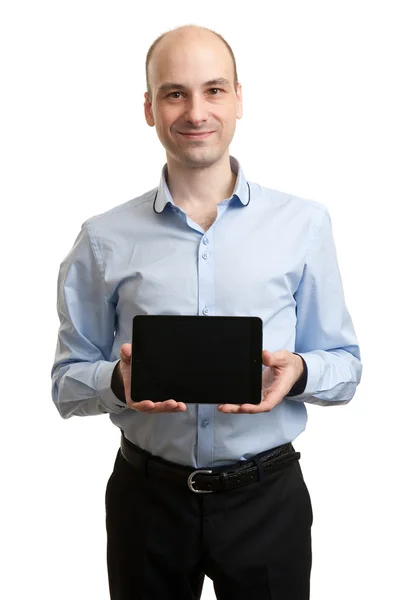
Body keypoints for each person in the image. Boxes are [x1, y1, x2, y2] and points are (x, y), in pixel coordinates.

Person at [51, 24, 362, 600]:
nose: (196, 111)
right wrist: (117, 383)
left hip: (267, 500)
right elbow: (66, 385)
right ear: (149, 108)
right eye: (175, 93)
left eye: (214, 90)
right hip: (145, 504)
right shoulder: (102, 239)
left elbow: (344, 365)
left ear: (239, 98)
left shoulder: (304, 225)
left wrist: (300, 373)